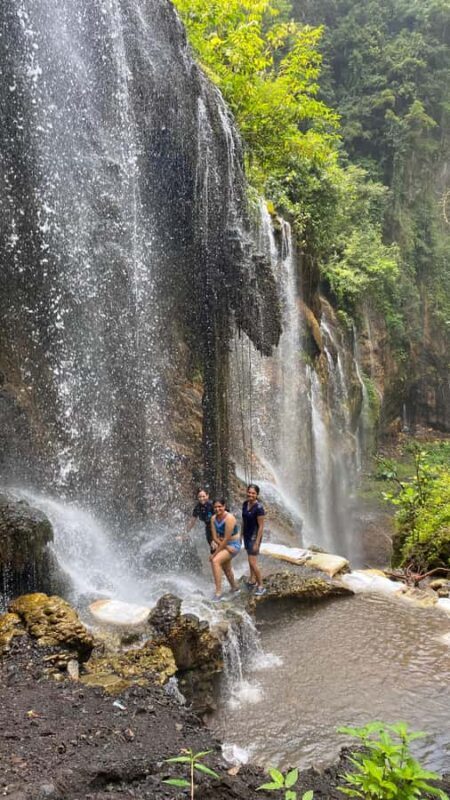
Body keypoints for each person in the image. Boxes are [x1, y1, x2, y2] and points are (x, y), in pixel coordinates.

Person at [209, 498, 241, 602]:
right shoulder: (213, 518)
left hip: (234, 545)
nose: (217, 509)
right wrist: (225, 546)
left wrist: (214, 554)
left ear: (224, 506)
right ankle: (235, 588)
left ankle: (218, 593)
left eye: (220, 507)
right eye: (215, 507)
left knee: (215, 561)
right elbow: (214, 537)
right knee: (226, 568)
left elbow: (226, 538)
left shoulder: (229, 518)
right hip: (225, 545)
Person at [242, 484, 266, 595]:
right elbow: (243, 521)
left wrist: (257, 542)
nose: (251, 495)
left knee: (253, 561)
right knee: (250, 559)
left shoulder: (259, 508)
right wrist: (241, 535)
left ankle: (261, 586)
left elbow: (261, 526)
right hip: (247, 536)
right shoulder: (245, 504)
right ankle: (252, 580)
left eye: (253, 493)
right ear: (247, 492)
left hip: (254, 537)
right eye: (249, 492)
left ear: (257, 495)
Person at [186, 488, 215, 553]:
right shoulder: (197, 508)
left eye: (203, 496)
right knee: (213, 550)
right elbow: (192, 521)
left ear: (207, 496)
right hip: (209, 529)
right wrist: (186, 533)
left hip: (218, 528)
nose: (202, 498)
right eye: (199, 497)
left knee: (219, 548)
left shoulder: (212, 505)